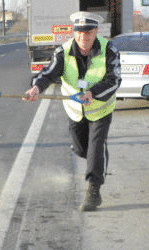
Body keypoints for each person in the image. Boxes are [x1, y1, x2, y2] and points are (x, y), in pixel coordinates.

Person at [23, 11, 121, 211]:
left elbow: (115, 80)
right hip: (75, 110)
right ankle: (98, 157)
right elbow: (48, 74)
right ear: (73, 32)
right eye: (79, 34)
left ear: (95, 32)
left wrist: (93, 93)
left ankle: (94, 192)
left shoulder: (109, 50)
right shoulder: (63, 51)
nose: (83, 39)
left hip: (100, 109)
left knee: (95, 148)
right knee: (81, 150)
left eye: (88, 34)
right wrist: (36, 88)